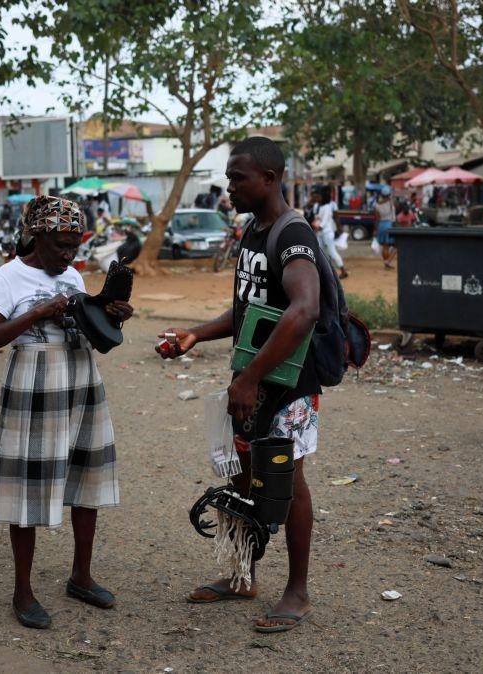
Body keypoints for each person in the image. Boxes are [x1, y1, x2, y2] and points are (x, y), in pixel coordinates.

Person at [159, 136, 320, 634]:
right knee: (240, 476)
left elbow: (304, 309)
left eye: (238, 179)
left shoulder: (293, 235)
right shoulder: (253, 230)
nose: (229, 188)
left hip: (288, 385)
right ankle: (243, 575)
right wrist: (196, 334)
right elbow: (248, 308)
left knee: (286, 483)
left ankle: (297, 590)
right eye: (229, 179)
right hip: (249, 383)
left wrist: (250, 377)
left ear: (269, 180)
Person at [0, 195, 133, 630]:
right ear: (37, 235)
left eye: (75, 245)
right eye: (61, 244)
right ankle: (22, 591)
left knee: (87, 478)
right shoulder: (9, 277)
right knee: (27, 486)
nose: (69, 254)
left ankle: (81, 576)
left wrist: (113, 315)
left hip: (81, 379)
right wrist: (38, 312)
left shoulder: (75, 277)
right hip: (34, 382)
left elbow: (94, 334)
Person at [312, 189, 347, 279]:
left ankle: (343, 270)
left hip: (327, 232)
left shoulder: (327, 207)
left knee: (332, 252)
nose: (317, 198)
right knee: (322, 253)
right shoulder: (318, 206)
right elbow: (318, 219)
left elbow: (323, 222)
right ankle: (326, 272)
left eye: (319, 196)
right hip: (320, 233)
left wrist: (315, 227)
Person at [374, 186, 396, 269]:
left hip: (381, 225)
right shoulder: (391, 203)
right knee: (389, 245)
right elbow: (393, 216)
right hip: (389, 225)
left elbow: (377, 219)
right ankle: (387, 262)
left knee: (384, 246)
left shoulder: (377, 205)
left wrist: (375, 230)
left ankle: (386, 262)